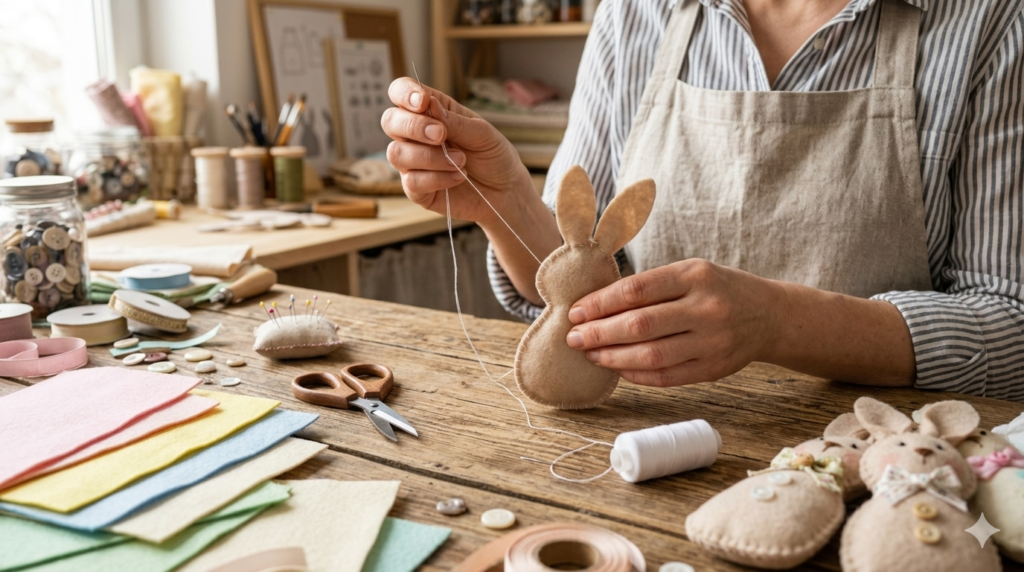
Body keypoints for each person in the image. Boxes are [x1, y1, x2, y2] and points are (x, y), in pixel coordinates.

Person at [382, 0, 1024, 402]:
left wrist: (777, 320)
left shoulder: (988, 20)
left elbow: (1011, 327)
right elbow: (581, 280)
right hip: (648, 442)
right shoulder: (637, 12)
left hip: (876, 462)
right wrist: (504, 200)